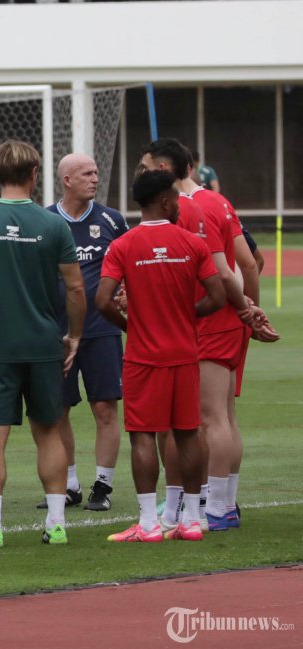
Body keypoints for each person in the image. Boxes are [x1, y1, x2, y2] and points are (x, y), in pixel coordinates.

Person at [0, 139, 86, 548]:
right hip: (44, 343)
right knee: (49, 432)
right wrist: (75, 336)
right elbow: (76, 288)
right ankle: (57, 523)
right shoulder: (53, 225)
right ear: (34, 174)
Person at [139, 140, 273, 531]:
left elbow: (230, 267)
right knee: (224, 416)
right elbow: (250, 262)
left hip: (208, 319)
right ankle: (222, 502)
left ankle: (209, 506)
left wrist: (248, 312)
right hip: (230, 317)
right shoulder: (219, 202)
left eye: (146, 166)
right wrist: (249, 313)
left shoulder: (189, 209)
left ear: (163, 167)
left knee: (202, 419)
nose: (142, 173)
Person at [95, 169, 227, 543]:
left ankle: (150, 524)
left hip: (142, 357)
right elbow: (217, 297)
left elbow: (102, 300)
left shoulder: (123, 245)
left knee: (142, 437)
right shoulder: (192, 244)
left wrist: (128, 325)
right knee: (188, 434)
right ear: (167, 202)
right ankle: (190, 520)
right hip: (184, 353)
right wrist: (188, 316)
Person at [42, 153, 128, 512]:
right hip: (55, 334)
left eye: (96, 172)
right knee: (57, 409)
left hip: (102, 330)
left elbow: (129, 266)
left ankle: (103, 486)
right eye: (87, 174)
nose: (95, 179)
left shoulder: (112, 220)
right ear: (66, 180)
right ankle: (70, 483)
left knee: (105, 407)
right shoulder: (43, 221)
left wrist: (127, 291)